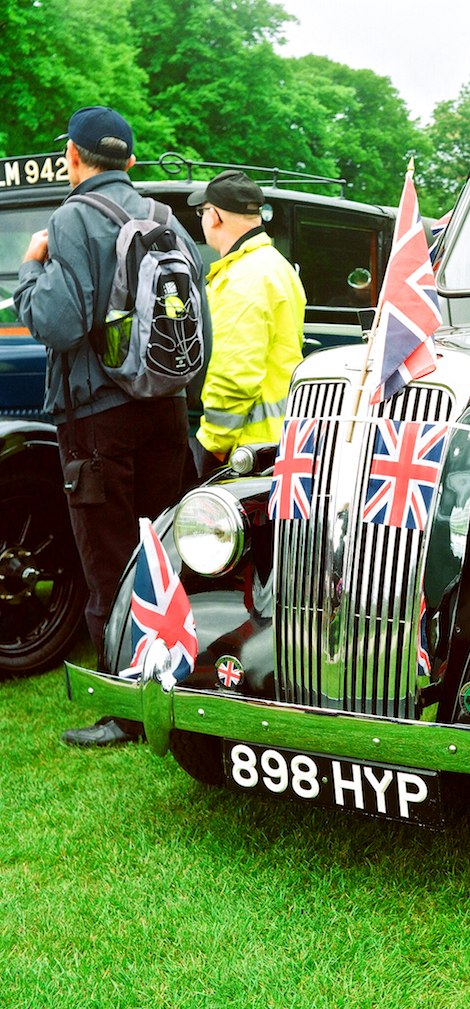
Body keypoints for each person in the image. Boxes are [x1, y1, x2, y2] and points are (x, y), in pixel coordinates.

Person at [14, 106, 210, 746]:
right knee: (161, 549)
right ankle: (180, 679)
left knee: (108, 558)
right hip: (164, 408)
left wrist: (30, 269)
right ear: (128, 158)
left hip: (97, 418)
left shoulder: (70, 218)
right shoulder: (161, 216)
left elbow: (59, 323)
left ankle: (125, 708)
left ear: (73, 156)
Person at [186, 170, 306, 477]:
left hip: (245, 451)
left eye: (202, 212)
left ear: (213, 216)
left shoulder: (242, 279)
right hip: (280, 438)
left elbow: (235, 374)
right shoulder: (275, 265)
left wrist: (212, 442)